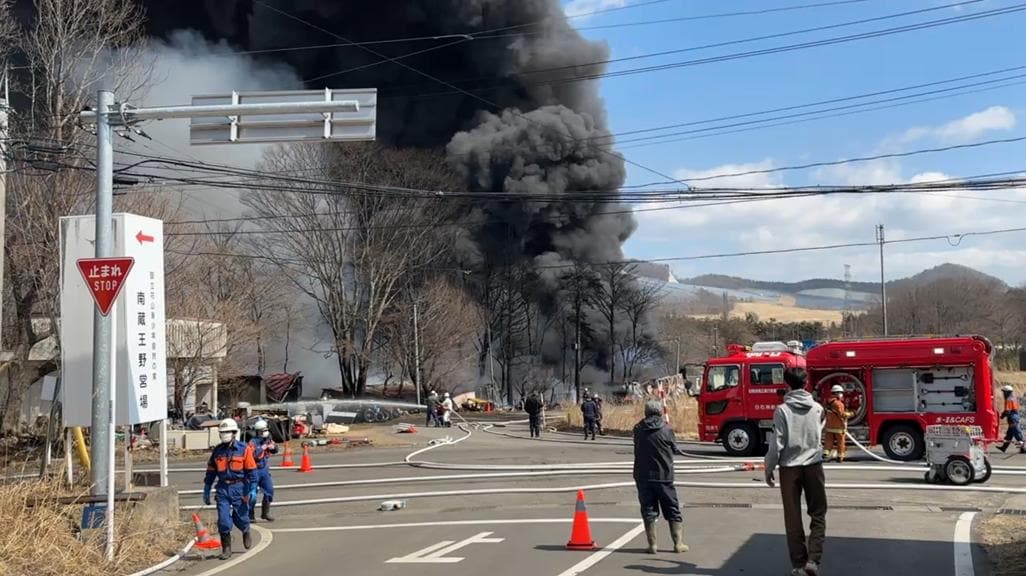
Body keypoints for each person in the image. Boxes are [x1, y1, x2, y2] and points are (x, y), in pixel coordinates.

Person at [765, 367, 827, 576]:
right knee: (818, 512)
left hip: (789, 467)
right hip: (814, 465)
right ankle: (814, 559)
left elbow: (777, 443)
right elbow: (820, 435)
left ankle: (799, 564)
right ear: (806, 382)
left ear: (787, 384)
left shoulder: (782, 410)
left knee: (792, 517)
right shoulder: (818, 408)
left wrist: (769, 467)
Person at [633, 399, 688, 555]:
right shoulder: (666, 429)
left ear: (646, 412)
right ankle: (678, 544)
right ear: (660, 412)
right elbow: (674, 448)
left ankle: (652, 545)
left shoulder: (638, 429)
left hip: (643, 476)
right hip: (664, 475)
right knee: (672, 508)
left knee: (648, 509)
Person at [204, 418, 258, 560]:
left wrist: (253, 488)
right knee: (223, 520)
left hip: (239, 487)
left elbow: (252, 470)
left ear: (234, 433)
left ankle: (245, 529)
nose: (225, 434)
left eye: (227, 432)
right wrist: (207, 487)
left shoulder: (243, 449)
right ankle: (226, 548)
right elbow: (211, 470)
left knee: (241, 516)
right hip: (223, 488)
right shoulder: (218, 451)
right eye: (222, 432)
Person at [248, 419, 278, 523]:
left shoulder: (268, 439)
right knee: (252, 494)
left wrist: (273, 447)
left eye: (265, 430)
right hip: (254, 470)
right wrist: (263, 447)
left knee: (269, 490)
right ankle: (250, 514)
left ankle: (265, 513)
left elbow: (275, 450)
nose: (264, 432)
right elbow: (253, 455)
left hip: (264, 470)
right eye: (262, 431)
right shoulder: (252, 442)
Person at [822, 384, 853, 462]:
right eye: (840, 393)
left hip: (829, 426)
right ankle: (840, 457)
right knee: (840, 443)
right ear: (836, 393)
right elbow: (842, 415)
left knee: (828, 442)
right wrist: (852, 413)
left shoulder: (827, 401)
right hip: (838, 427)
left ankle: (825, 453)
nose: (841, 395)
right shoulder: (839, 404)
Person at [997, 385, 1024, 453]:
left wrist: (1002, 416)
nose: (1003, 393)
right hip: (1014, 417)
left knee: (1017, 434)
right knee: (1009, 434)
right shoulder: (1014, 398)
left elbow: (1007, 411)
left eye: (1004, 392)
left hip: (1013, 418)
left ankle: (1023, 448)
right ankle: (1004, 448)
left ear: (1007, 392)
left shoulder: (1008, 399)